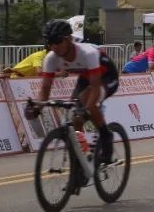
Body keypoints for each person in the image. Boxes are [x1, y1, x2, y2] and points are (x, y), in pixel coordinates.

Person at [26, 20, 119, 165]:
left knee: (88, 102)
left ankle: (106, 136)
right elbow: (45, 89)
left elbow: (94, 87)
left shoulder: (88, 53)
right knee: (75, 118)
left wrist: (86, 109)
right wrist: (37, 106)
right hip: (85, 77)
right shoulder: (51, 58)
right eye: (50, 42)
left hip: (106, 76)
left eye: (58, 41)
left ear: (69, 39)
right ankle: (82, 158)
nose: (54, 46)